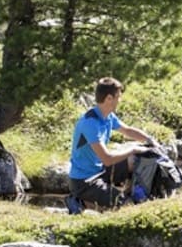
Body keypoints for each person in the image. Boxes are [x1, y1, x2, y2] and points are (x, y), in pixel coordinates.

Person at [67, 77, 157, 213]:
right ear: (109, 98)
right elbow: (107, 159)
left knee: (134, 160)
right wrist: (133, 148)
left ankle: (131, 193)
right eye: (118, 97)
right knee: (126, 206)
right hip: (85, 181)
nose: (120, 100)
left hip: (100, 170)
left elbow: (127, 130)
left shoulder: (108, 116)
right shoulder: (90, 123)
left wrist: (149, 140)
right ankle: (80, 201)